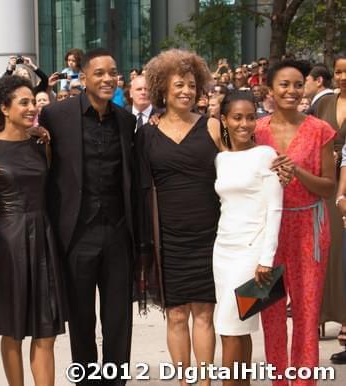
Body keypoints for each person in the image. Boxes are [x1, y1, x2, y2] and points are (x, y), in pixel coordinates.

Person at [39, 48, 136, 385]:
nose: (108, 78)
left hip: (118, 232)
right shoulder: (56, 116)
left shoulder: (127, 121)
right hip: (76, 234)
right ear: (83, 79)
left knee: (118, 320)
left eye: (113, 72)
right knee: (81, 320)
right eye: (99, 73)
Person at [136, 49, 221, 386]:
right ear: (163, 90)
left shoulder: (213, 126)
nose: (186, 91)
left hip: (210, 235)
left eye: (190, 84)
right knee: (175, 315)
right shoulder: (146, 135)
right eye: (178, 85)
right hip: (167, 238)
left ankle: (205, 382)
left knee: (204, 313)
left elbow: (238, 167)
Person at [0, 74, 66, 386]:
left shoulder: (42, 144)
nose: (32, 108)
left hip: (44, 237)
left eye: (34, 102)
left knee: (47, 329)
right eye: (24, 102)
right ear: (4, 108)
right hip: (9, 242)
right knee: (12, 329)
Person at [256, 59, 336, 386]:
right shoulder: (256, 130)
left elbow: (329, 187)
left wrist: (297, 172)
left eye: (298, 84)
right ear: (270, 90)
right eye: (284, 85)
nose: (292, 91)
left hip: (309, 231)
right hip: (267, 236)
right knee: (270, 314)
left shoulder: (320, 130)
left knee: (306, 315)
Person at [213, 91, 283, 385]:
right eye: (237, 118)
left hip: (252, 254)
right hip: (222, 251)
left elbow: (275, 209)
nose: (244, 124)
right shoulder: (220, 158)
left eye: (251, 117)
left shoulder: (266, 156)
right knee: (238, 329)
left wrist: (266, 259)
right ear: (224, 121)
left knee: (229, 330)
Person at [317, 54, 346, 364]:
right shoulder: (323, 104)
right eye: (338, 72)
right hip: (329, 187)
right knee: (333, 252)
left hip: (345, 182)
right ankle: (330, 315)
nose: (343, 77)